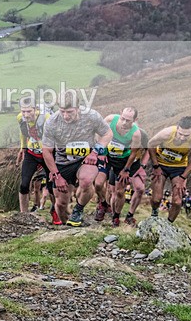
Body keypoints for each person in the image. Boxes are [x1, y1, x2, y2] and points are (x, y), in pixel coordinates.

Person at [42, 97, 113, 227]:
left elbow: (108, 133)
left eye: (69, 112)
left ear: (77, 108)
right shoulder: (52, 122)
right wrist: (56, 175)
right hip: (63, 161)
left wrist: (95, 152)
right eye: (62, 111)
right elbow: (46, 151)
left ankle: (78, 210)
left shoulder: (91, 116)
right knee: (61, 203)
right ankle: (66, 226)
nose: (65, 115)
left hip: (86, 158)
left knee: (86, 181)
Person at [94, 107, 147, 227]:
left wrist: (126, 170)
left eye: (128, 120)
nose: (124, 123)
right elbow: (99, 133)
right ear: (119, 114)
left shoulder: (136, 133)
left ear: (134, 120)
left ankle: (116, 217)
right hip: (108, 156)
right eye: (123, 118)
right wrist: (101, 151)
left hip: (123, 161)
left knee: (119, 191)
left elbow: (133, 153)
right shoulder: (109, 120)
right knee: (98, 184)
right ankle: (103, 203)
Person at [147, 116, 191, 223]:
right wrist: (155, 166)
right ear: (177, 128)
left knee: (177, 201)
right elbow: (150, 144)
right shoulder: (166, 134)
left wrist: (183, 177)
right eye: (180, 134)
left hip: (178, 168)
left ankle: (168, 224)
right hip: (161, 164)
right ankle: (154, 215)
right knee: (156, 199)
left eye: (186, 135)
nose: (182, 138)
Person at [15, 98, 54, 221]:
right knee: (24, 185)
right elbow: (23, 133)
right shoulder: (20, 118)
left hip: (47, 154)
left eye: (29, 111)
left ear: (36, 109)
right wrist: (23, 148)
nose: (26, 115)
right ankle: (24, 216)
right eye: (23, 111)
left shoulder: (46, 117)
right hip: (32, 154)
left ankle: (56, 211)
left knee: (51, 185)